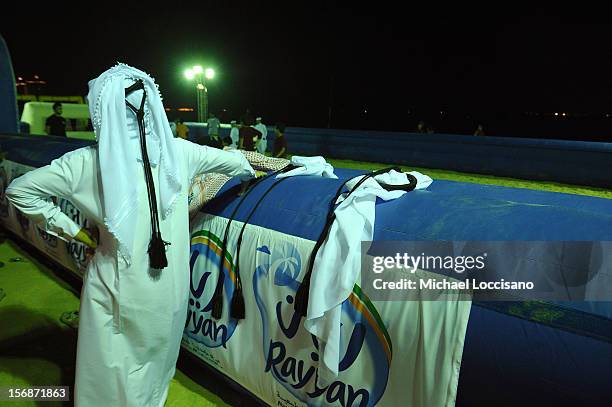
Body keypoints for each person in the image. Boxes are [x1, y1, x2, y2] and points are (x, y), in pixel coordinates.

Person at [5, 64, 256, 407]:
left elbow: (20, 191)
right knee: (156, 365)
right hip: (169, 290)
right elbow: (240, 166)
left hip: (115, 286)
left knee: (110, 370)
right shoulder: (180, 153)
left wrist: (76, 232)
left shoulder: (84, 163)